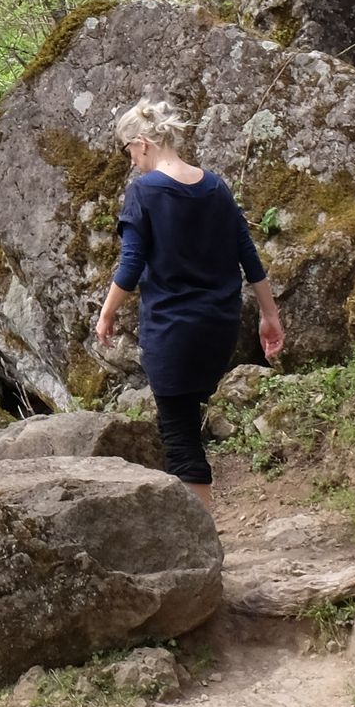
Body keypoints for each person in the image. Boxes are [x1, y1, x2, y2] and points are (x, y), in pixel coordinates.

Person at [92, 96, 286, 508]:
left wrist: (107, 314)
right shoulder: (215, 186)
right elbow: (247, 256)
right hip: (219, 328)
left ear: (142, 143)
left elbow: (130, 264)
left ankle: (201, 544)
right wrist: (269, 317)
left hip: (172, 330)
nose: (130, 162)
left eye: (128, 151)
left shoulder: (144, 191)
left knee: (179, 439)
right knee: (185, 423)